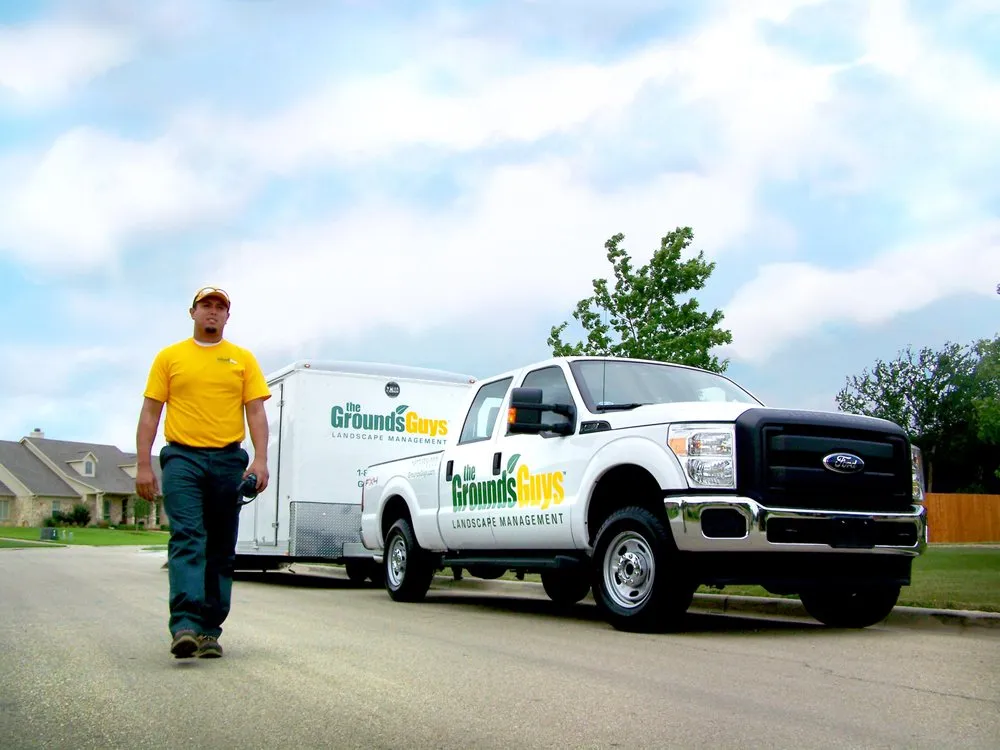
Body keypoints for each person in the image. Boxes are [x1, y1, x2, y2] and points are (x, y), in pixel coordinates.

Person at [135, 286, 271, 660]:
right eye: (206, 305)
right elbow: (150, 412)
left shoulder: (243, 359)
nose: (212, 311)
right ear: (192, 312)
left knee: (220, 547)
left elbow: (256, 412)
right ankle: (184, 625)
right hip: (182, 458)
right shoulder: (170, 357)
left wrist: (260, 459)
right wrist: (144, 464)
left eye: (219, 307)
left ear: (227, 316)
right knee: (188, 537)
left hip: (228, 461)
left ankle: (209, 630)